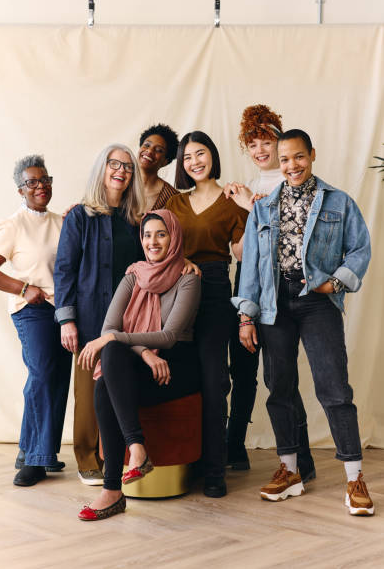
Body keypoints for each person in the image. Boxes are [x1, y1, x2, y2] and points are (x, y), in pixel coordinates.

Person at [234, 129, 374, 515]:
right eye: (284, 160)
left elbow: (360, 248)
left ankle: (353, 478)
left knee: (334, 388)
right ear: (277, 163)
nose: (292, 166)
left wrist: (337, 282)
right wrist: (247, 314)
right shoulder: (263, 208)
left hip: (317, 302)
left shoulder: (337, 201)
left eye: (298, 157)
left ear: (311, 154)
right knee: (279, 386)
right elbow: (252, 266)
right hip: (273, 305)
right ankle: (290, 470)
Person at [76, 210, 201, 521]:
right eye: (147, 235)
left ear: (173, 237)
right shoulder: (133, 274)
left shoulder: (189, 277)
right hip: (144, 363)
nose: (153, 241)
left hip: (175, 368)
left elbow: (170, 335)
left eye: (161, 234)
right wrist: (145, 353)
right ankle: (136, 449)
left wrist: (125, 343)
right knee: (111, 359)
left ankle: (112, 491)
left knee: (109, 365)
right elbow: (109, 328)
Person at [224, 104, 315, 482]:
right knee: (242, 371)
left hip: (281, 288)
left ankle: (301, 459)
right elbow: (241, 253)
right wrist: (247, 208)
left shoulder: (293, 180)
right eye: (253, 143)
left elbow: (287, 244)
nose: (261, 150)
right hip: (247, 286)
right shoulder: (248, 187)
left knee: (282, 378)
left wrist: (252, 207)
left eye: (267, 141)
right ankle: (234, 447)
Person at [0, 155, 72, 486]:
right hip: (33, 311)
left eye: (45, 179)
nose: (41, 185)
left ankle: (38, 450)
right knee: (42, 373)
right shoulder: (13, 225)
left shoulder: (63, 222)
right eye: (32, 181)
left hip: (63, 310)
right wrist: (23, 288)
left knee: (57, 379)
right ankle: (34, 458)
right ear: (21, 189)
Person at [54, 144, 144, 485]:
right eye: (114, 164)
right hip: (88, 317)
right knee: (87, 393)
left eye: (127, 166)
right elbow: (64, 270)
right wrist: (67, 320)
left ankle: (118, 455)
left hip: (125, 322)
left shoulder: (134, 221)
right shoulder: (79, 217)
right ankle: (86, 459)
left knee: (117, 387)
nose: (121, 170)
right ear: (102, 169)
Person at [166, 131, 248, 498]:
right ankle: (190, 461)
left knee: (215, 380)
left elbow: (243, 253)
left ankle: (215, 469)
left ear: (213, 156)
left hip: (216, 290)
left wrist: (250, 206)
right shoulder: (175, 203)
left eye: (201, 154)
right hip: (178, 291)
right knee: (184, 377)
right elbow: (159, 245)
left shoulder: (231, 200)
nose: (194, 162)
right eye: (187, 157)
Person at [137, 123, 179, 210]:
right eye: (147, 145)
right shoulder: (122, 183)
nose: (149, 151)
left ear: (165, 161)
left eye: (159, 150)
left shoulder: (172, 198)